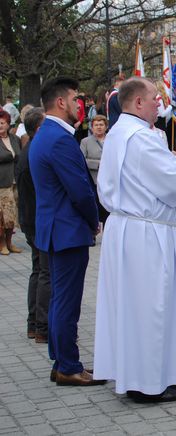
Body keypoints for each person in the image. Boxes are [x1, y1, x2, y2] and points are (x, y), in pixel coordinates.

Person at [93, 77, 176, 403]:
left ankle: (139, 373)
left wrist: (171, 163)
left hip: (129, 229)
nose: (160, 102)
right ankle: (148, 383)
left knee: (134, 306)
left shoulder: (119, 134)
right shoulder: (140, 137)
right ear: (138, 103)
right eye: (155, 97)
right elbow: (169, 181)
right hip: (146, 234)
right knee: (152, 306)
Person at [29, 77, 103, 386]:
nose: (79, 105)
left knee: (61, 298)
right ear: (61, 102)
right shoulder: (59, 139)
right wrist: (94, 219)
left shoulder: (45, 134)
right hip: (67, 228)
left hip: (55, 227)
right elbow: (80, 190)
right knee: (67, 301)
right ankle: (68, 365)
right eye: (75, 99)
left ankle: (62, 360)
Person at [16, 107, 50, 343]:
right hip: (37, 220)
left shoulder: (28, 150)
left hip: (31, 218)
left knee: (38, 270)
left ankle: (34, 323)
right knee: (45, 272)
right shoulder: (33, 152)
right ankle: (42, 326)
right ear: (39, 128)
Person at [0, 109, 22, 255]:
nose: (0, 126)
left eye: (2, 123)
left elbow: (19, 155)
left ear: (8, 124)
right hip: (2, 182)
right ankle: (2, 244)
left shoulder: (15, 139)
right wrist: (10, 156)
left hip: (15, 180)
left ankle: (9, 242)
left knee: (12, 215)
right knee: (3, 216)